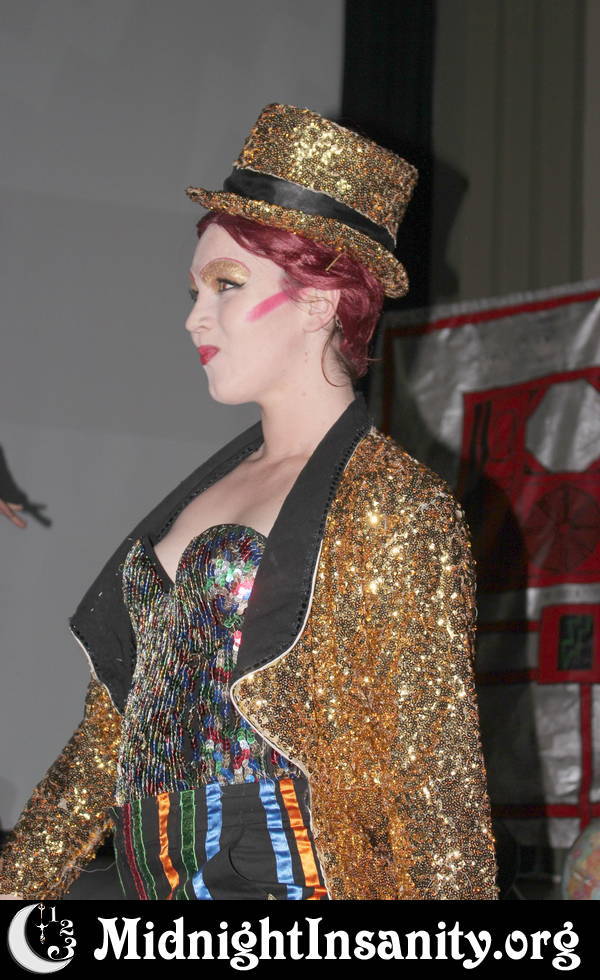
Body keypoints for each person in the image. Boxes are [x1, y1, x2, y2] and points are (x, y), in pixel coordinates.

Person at [0, 103, 498, 901]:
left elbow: (432, 784)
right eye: (195, 289)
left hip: (285, 876)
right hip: (151, 876)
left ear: (320, 302)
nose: (194, 317)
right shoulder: (208, 488)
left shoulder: (397, 504)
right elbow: (104, 742)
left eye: (226, 285)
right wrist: (18, 886)